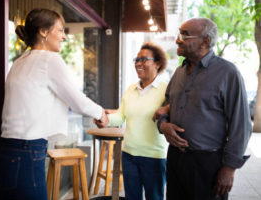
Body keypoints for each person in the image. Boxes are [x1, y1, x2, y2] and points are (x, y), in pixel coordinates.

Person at [0, 8, 108, 200]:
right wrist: (101, 113)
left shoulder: (19, 61)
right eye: (60, 30)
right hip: (27, 152)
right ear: (43, 32)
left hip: (6, 151)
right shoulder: (48, 59)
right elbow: (76, 100)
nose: (64, 37)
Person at [155, 18, 252, 200]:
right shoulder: (178, 73)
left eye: (184, 35)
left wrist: (229, 168)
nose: (177, 40)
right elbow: (165, 108)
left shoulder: (227, 73)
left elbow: (241, 126)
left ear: (205, 41)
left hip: (208, 164)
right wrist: (163, 126)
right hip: (176, 159)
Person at [96, 42, 169, 200]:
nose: (138, 63)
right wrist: (106, 120)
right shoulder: (130, 89)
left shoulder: (166, 90)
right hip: (128, 154)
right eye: (137, 59)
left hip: (154, 157)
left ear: (157, 63)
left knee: (154, 198)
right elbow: (121, 116)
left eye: (144, 59)